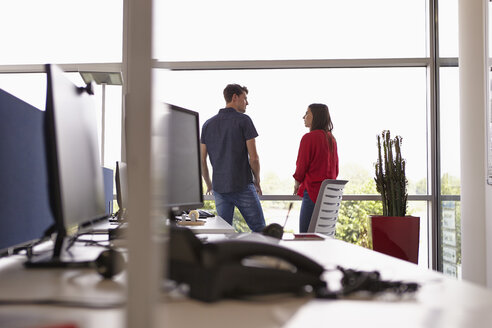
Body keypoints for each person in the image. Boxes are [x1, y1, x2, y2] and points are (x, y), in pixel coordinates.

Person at [200, 84, 266, 232]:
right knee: (261, 231)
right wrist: (257, 181)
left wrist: (209, 185)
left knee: (224, 233)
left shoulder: (207, 125)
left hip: (219, 188)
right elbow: (254, 158)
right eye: (245, 98)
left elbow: (202, 160)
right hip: (242, 185)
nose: (247, 103)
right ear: (235, 97)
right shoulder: (244, 120)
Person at [293, 103, 339, 233]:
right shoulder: (331, 139)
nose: (304, 117)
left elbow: (301, 167)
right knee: (323, 236)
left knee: (305, 236)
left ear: (315, 117)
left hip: (313, 193)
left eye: (307, 113)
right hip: (330, 196)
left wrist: (297, 183)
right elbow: (336, 168)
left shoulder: (309, 138)